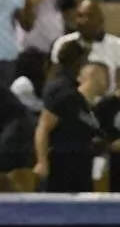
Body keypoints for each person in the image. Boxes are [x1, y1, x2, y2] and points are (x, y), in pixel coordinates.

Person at [34, 61, 109, 192]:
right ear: (95, 75)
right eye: (106, 77)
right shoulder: (67, 98)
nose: (109, 82)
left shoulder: (92, 109)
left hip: (82, 167)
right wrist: (42, 161)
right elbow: (43, 127)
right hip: (60, 165)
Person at [50, 0, 120, 94]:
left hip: (108, 102)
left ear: (101, 20)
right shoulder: (63, 43)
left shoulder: (117, 45)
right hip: (69, 101)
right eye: (80, 16)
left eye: (90, 16)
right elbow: (53, 78)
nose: (84, 21)